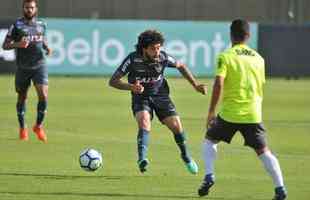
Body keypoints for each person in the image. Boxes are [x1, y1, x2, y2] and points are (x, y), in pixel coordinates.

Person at [197, 19, 287, 200]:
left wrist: (211, 112)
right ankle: (280, 188)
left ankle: (209, 176)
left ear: (231, 34)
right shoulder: (259, 59)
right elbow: (260, 85)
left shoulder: (226, 56)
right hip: (253, 114)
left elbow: (218, 84)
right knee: (263, 151)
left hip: (230, 113)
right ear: (249, 36)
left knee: (209, 140)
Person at [109, 29, 207, 174]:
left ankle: (186, 156)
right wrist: (131, 87)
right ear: (144, 49)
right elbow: (113, 81)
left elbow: (181, 66)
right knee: (144, 122)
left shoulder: (163, 57)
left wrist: (195, 85)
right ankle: (142, 159)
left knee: (176, 126)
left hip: (160, 95)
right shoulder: (132, 59)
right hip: (141, 97)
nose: (157, 51)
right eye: (153, 48)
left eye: (159, 47)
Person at [2, 0, 52, 143]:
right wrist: (19, 44)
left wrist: (47, 47)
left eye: (32, 7)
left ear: (36, 9)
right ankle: (23, 127)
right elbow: (5, 45)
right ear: (23, 9)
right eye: (27, 8)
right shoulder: (16, 26)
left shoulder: (42, 24)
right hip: (23, 68)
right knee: (22, 97)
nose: (29, 10)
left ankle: (38, 126)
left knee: (43, 94)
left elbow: (41, 39)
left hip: (39, 65)